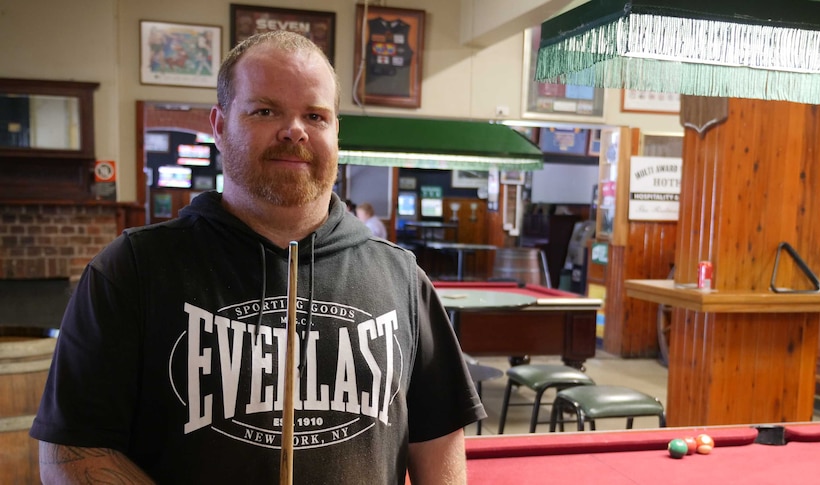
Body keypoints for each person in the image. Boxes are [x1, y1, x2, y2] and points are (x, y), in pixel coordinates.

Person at [31, 31, 485, 484]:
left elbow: (439, 440)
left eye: (315, 115)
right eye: (265, 110)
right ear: (220, 125)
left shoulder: (401, 278)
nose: (294, 130)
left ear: (336, 132)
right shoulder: (131, 269)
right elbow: (72, 453)